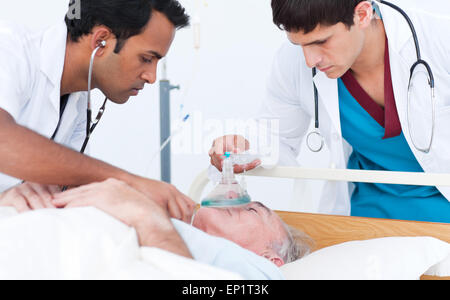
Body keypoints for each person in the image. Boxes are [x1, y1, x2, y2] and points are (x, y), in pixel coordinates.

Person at [209, 0, 450, 223]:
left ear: (363, 14)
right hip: (368, 218)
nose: (310, 60)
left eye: (321, 41)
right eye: (300, 44)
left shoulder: (439, 39)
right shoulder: (292, 63)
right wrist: (242, 145)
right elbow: (275, 136)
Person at [0, 0, 194, 222]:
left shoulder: (79, 101)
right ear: (101, 41)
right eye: (146, 59)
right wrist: (130, 182)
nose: (151, 77)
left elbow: (64, 192)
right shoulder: (9, 48)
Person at [0, 179, 312, 267]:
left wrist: (140, 212)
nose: (237, 200)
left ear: (272, 259)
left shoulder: (259, 273)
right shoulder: (181, 231)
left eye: (254, 210)